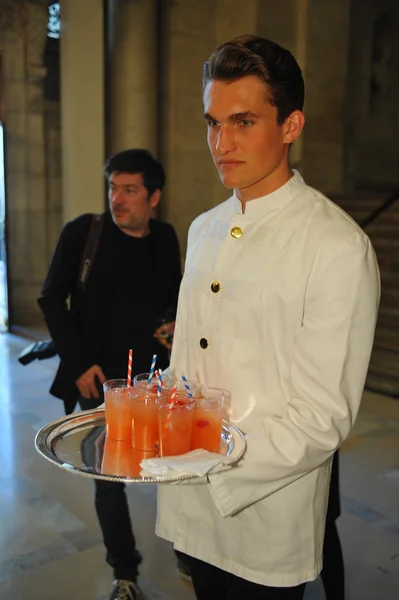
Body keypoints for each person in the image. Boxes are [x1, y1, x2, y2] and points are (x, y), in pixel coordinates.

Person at [156, 35, 380, 600]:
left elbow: (321, 419)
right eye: (212, 123)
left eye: (243, 122)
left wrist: (209, 464)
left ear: (291, 126)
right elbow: (192, 364)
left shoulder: (336, 246)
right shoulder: (204, 228)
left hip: (264, 514)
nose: (220, 143)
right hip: (190, 506)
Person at [38, 148, 182, 600]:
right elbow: (50, 299)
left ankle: (187, 547)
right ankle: (125, 573)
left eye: (130, 190)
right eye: (113, 188)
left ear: (153, 196)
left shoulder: (164, 238)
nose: (117, 199)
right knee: (109, 473)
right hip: (100, 380)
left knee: (173, 467)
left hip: (153, 380)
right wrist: (78, 362)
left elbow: (175, 298)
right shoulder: (85, 233)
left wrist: (173, 323)